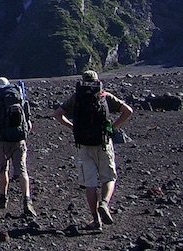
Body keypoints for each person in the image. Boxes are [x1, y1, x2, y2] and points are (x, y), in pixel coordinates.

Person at [53, 70, 133, 231]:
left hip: (83, 145)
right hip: (103, 142)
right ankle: (104, 203)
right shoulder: (104, 95)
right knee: (108, 177)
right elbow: (128, 111)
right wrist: (112, 128)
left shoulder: (77, 98)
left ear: (82, 81)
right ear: (97, 80)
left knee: (90, 184)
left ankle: (96, 220)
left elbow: (58, 115)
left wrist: (73, 127)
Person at [0, 77, 36, 217]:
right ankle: (27, 201)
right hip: (19, 141)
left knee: (3, 169)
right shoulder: (20, 100)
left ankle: (3, 199)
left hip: (2, 141)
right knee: (22, 170)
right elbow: (28, 125)